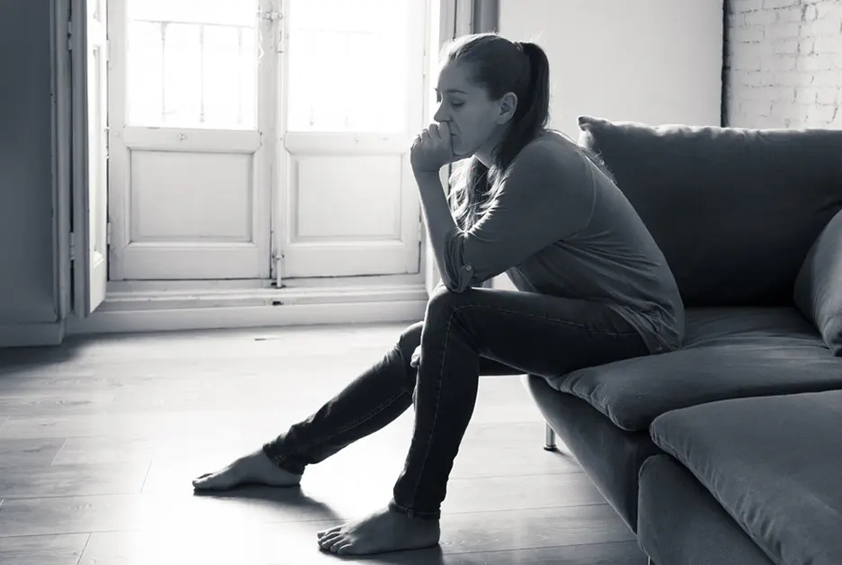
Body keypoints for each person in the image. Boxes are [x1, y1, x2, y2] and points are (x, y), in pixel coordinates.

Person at [191, 32, 685, 557]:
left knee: (449, 316)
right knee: (421, 338)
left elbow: (458, 277)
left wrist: (427, 172)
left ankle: (414, 512)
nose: (441, 116)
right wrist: (436, 339)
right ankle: (284, 457)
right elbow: (458, 281)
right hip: (591, 316)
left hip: (638, 327)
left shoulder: (544, 163)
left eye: (457, 101)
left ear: (505, 107)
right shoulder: (488, 163)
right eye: (437, 99)